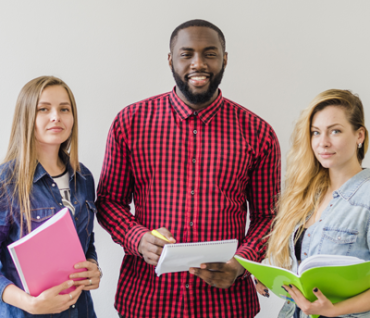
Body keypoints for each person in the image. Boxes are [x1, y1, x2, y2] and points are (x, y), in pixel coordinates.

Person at [96, 19, 281, 317]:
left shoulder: (258, 133)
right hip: (147, 299)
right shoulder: (130, 123)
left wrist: (241, 263)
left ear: (224, 59)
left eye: (210, 54)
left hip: (226, 304)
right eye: (187, 54)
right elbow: (108, 202)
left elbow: (268, 217)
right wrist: (137, 238)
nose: (199, 63)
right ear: (171, 59)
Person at [256, 89, 370, 318]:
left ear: (359, 136)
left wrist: (335, 309)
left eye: (335, 131)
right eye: (316, 133)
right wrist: (274, 276)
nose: (323, 143)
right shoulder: (306, 194)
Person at [0, 76, 101, 318]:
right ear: (27, 117)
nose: (56, 116)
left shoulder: (83, 176)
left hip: (82, 312)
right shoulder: (7, 181)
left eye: (64, 109)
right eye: (43, 109)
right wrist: (29, 303)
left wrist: (94, 269)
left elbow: (86, 243)